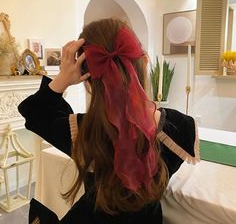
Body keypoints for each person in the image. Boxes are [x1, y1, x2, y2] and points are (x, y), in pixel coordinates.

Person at [18, 18, 199, 224]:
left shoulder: (83, 132)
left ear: (87, 77)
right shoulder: (180, 128)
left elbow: (33, 111)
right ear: (144, 62)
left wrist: (63, 77)